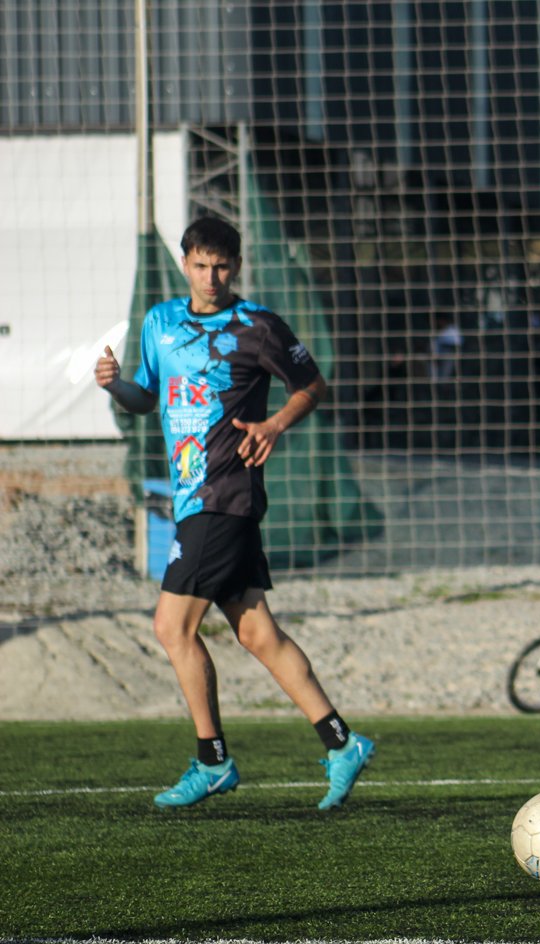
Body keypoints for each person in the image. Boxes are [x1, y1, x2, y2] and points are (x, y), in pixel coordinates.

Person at [96, 217, 375, 810]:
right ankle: (341, 743)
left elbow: (311, 385)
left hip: (224, 496)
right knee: (256, 632)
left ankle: (212, 760)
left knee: (172, 627)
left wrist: (274, 425)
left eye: (221, 266)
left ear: (237, 267)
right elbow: (146, 397)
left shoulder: (258, 326)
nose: (211, 277)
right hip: (193, 497)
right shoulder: (160, 323)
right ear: (185, 264)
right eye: (201, 265)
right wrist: (116, 386)